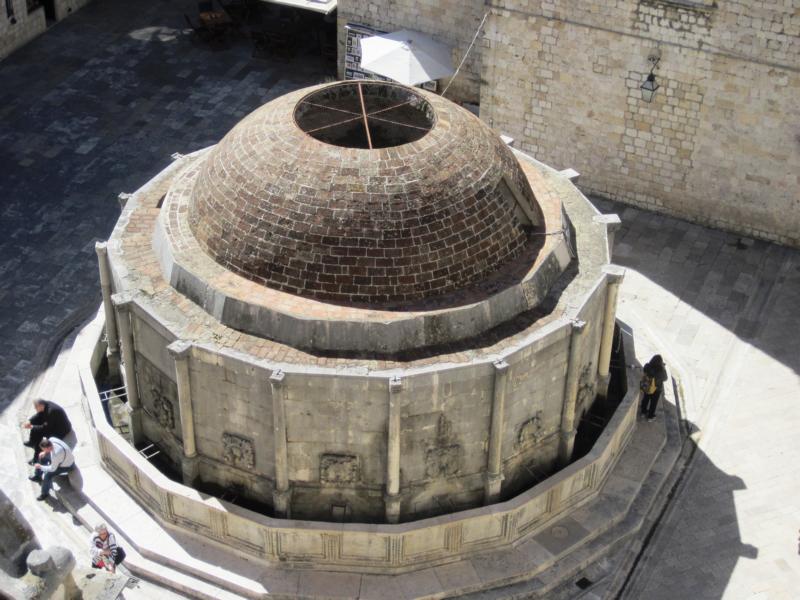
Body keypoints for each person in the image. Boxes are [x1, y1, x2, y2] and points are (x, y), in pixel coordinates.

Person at [22, 399, 72, 465]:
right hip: (53, 424)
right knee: (35, 425)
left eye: (35, 407)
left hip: (60, 430)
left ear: (40, 405)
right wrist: (30, 421)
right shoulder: (46, 405)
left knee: (40, 437)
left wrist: (32, 427)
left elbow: (46, 429)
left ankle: (36, 458)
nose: (35, 409)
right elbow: (39, 415)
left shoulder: (51, 412)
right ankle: (32, 442)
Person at [29, 437, 75, 501]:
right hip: (63, 459)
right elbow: (49, 452)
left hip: (67, 466)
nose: (43, 451)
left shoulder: (56, 454)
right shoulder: (52, 439)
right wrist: (45, 453)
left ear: (48, 448)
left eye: (44, 449)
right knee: (42, 457)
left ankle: (44, 493)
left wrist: (40, 467)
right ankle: (38, 476)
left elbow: (52, 469)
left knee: (48, 475)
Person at [640, 354, 668, 421]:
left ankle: (643, 412)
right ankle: (650, 416)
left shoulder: (647, 366)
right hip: (656, 389)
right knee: (653, 403)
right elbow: (665, 378)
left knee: (645, 399)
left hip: (647, 386)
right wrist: (663, 368)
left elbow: (645, 370)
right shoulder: (660, 371)